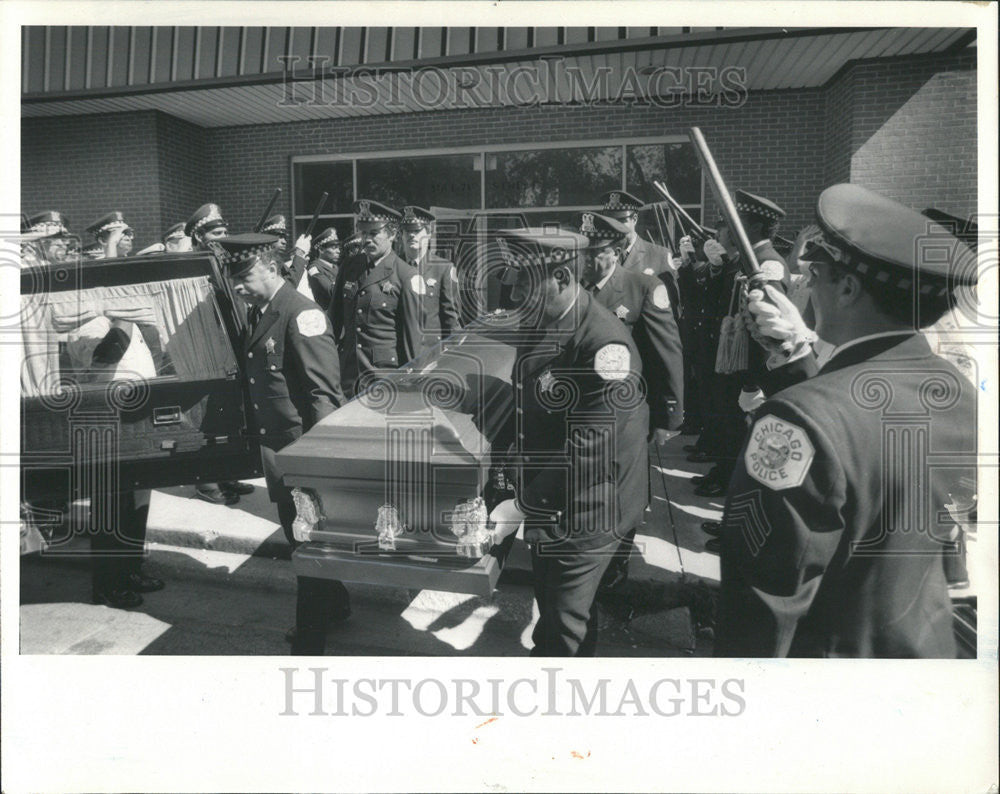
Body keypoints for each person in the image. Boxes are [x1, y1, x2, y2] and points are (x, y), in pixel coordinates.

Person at [714, 183, 978, 658]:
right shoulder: (955, 390)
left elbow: (766, 596)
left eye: (817, 272)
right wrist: (797, 356)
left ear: (849, 287)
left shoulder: (794, 419)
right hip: (922, 648)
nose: (808, 284)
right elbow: (861, 436)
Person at [488, 227, 650, 657]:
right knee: (556, 602)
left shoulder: (605, 346)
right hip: (555, 492)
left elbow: (591, 446)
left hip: (592, 505)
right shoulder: (545, 318)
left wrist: (521, 506)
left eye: (525, 283)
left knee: (562, 628)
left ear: (561, 277)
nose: (515, 293)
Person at [212, 233, 351, 654]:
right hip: (279, 454)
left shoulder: (301, 314)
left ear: (272, 268)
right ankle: (337, 606)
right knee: (300, 540)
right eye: (233, 277)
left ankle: (309, 644)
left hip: (300, 455)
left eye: (245, 276)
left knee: (308, 546)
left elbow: (323, 396)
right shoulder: (262, 311)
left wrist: (318, 465)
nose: (237, 286)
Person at [578, 212, 685, 590]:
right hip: (585, 413)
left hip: (628, 415)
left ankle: (615, 570)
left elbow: (667, 355)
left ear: (619, 250)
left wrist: (669, 417)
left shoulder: (641, 288)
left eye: (597, 252)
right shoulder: (577, 289)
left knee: (625, 493)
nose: (588, 260)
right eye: (584, 251)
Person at [184, 203, 256, 505]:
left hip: (230, 351)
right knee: (208, 422)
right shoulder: (192, 266)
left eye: (225, 230)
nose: (222, 236)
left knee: (227, 419)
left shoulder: (221, 262)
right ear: (200, 237)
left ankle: (226, 474)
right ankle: (206, 481)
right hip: (205, 355)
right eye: (216, 232)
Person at [330, 199, 422, 397]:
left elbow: (410, 339)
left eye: (373, 233)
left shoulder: (406, 275)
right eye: (363, 233)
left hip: (384, 378)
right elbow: (334, 322)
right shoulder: (349, 266)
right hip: (348, 377)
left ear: (392, 234)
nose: (367, 239)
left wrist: (411, 384)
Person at [399, 205, 462, 354]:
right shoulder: (394, 266)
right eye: (407, 231)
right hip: (399, 354)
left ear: (428, 233)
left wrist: (451, 354)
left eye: (416, 230)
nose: (411, 235)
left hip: (431, 352)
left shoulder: (443, 268)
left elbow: (451, 317)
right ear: (401, 235)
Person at [306, 227, 341, 312]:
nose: (338, 251)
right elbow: (332, 291)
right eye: (334, 248)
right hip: (327, 314)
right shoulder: (314, 268)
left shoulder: (335, 267)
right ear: (321, 250)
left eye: (338, 247)